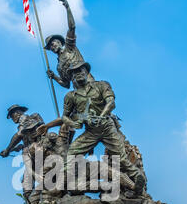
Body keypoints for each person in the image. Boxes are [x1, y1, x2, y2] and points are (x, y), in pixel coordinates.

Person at [60, 61, 146, 195]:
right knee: (72, 152)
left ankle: (137, 180)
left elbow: (111, 102)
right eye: (74, 72)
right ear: (71, 77)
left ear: (86, 72)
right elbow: (64, 117)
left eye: (80, 70)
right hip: (91, 131)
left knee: (121, 158)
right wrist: (74, 123)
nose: (78, 74)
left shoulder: (101, 85)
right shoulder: (70, 96)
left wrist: (101, 116)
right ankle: (69, 182)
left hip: (106, 126)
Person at [44, 0, 94, 89]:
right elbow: (66, 84)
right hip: (78, 91)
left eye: (52, 43)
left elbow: (72, 27)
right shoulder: (59, 67)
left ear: (59, 42)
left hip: (89, 83)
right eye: (50, 46)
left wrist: (68, 9)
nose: (52, 47)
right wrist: (54, 76)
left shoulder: (69, 47)